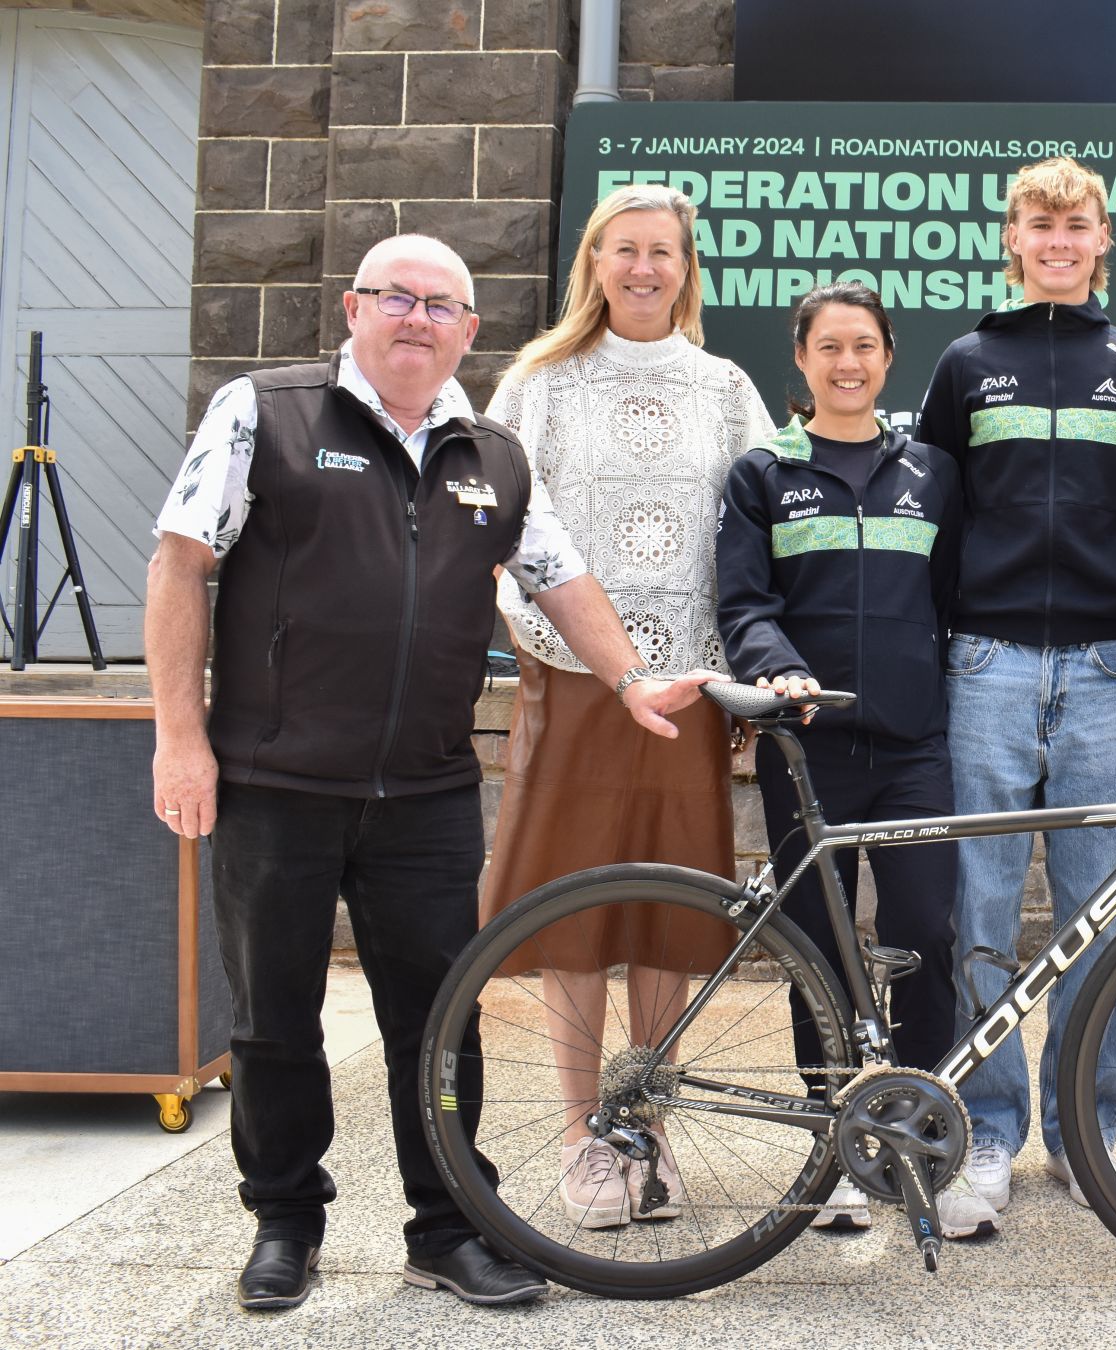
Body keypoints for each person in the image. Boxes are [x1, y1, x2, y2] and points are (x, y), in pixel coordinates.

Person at [146, 233, 716, 1311]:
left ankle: (449, 1227)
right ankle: (284, 1221)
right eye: (395, 298)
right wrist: (181, 737)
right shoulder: (264, 412)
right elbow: (180, 565)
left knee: (437, 1019)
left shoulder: (490, 453)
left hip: (425, 791)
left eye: (439, 305)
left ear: (469, 329)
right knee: (275, 1016)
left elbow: (560, 576)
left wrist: (632, 681)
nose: (416, 319)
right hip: (276, 783)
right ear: (354, 309)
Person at [479, 183, 774, 1233]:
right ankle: (579, 1134)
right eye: (623, 250)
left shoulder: (727, 388)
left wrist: (741, 668)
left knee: (668, 914)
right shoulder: (539, 384)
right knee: (577, 912)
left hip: (687, 689)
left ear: (687, 268)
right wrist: (530, 625)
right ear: (593, 264)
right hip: (577, 686)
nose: (643, 267)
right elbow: (491, 519)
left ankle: (645, 1124)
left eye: (662, 251)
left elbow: (758, 534)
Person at [916, 156, 1116, 1223]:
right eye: (1040, 221)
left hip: (1103, 670)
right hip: (982, 666)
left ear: (1100, 238)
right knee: (980, 902)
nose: (1059, 238)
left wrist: (1113, 605)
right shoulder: (964, 361)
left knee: (1098, 913)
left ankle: (1088, 1134)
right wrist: (961, 628)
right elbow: (931, 508)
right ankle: (988, 1131)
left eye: (1076, 222)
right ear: (1013, 236)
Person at [717, 281, 993, 1239]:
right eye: (829, 347)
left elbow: (954, 599)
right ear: (801, 359)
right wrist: (781, 672)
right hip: (807, 754)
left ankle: (922, 1146)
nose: (847, 363)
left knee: (925, 932)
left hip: (916, 749)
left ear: (887, 356)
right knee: (818, 950)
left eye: (865, 346)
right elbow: (745, 606)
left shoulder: (934, 472)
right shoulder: (761, 472)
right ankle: (836, 1150)